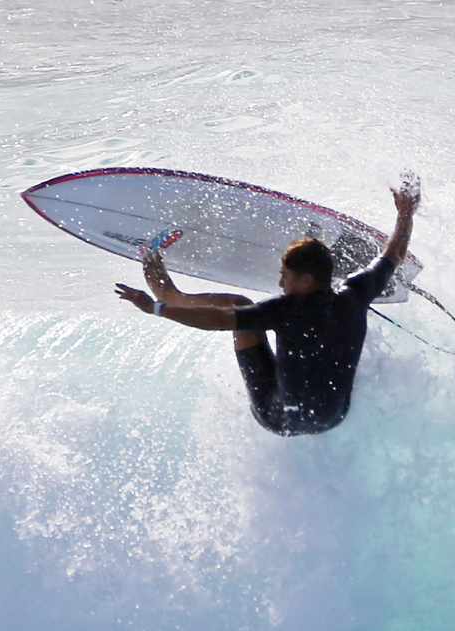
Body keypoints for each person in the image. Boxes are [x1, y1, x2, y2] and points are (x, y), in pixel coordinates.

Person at [114, 173, 421, 436]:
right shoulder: (357, 293)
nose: (279, 284)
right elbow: (392, 255)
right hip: (331, 418)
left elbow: (219, 320)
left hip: (279, 416)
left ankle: (163, 287)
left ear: (306, 281)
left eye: (284, 275)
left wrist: (155, 309)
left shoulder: (284, 310)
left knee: (239, 305)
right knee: (311, 357)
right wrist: (405, 214)